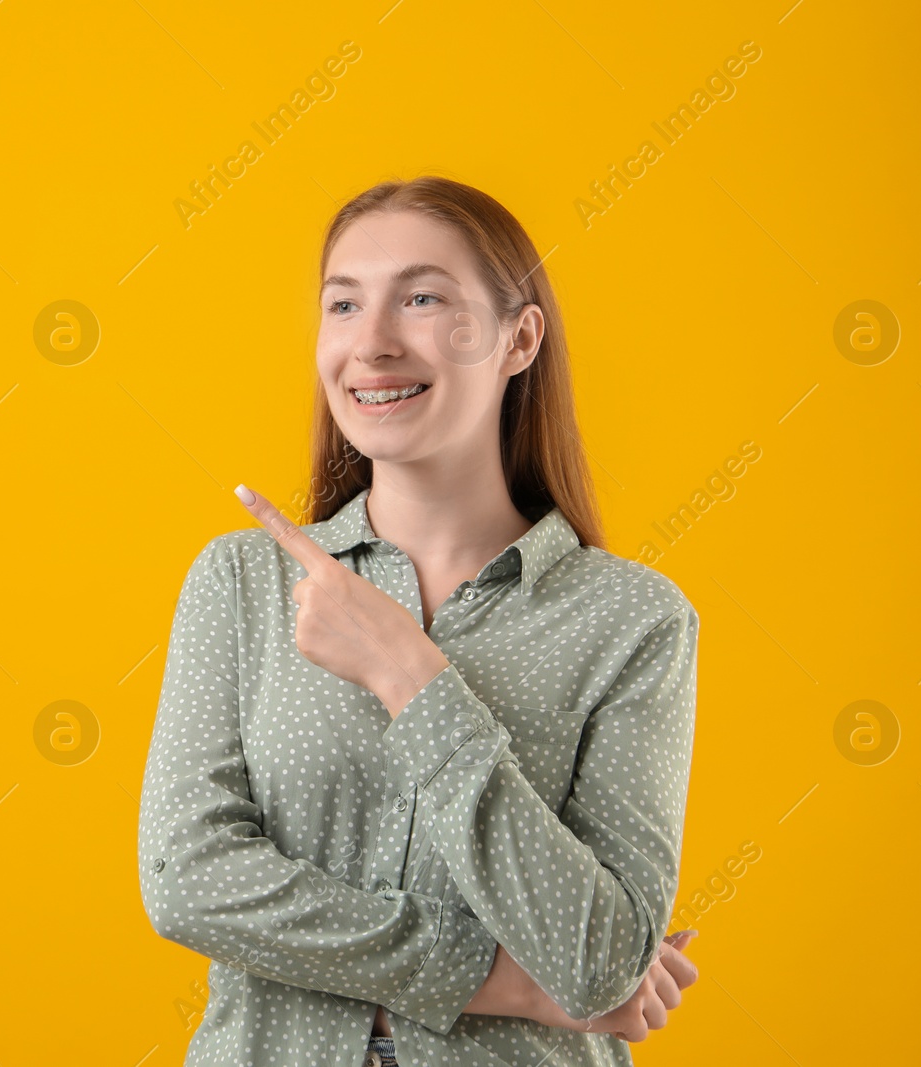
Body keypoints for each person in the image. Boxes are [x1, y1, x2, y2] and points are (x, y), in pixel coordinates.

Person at [137, 175, 701, 1066]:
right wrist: (502, 979)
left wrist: (410, 674)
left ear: (519, 338)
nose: (372, 343)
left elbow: (600, 962)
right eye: (344, 304)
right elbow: (187, 882)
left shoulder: (632, 620)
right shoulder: (240, 581)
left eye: (423, 297)